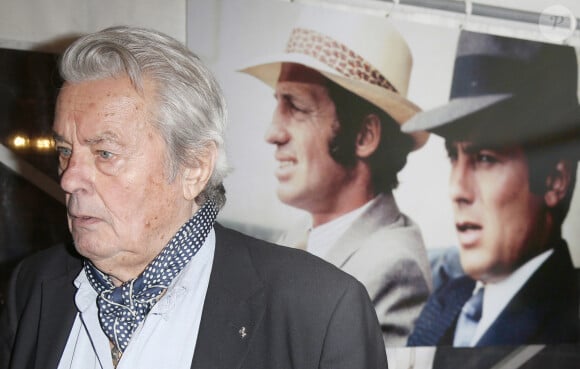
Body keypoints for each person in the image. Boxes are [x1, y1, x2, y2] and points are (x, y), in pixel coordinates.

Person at [0, 26, 388, 369]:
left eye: (105, 153)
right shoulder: (34, 286)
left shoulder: (318, 311)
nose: (69, 180)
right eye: (65, 150)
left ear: (194, 168)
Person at [240, 7, 432, 347]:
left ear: (364, 136)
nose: (273, 132)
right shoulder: (302, 234)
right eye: (277, 103)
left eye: (296, 107)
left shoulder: (393, 268)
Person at [405, 30, 580, 349]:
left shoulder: (569, 327)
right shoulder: (446, 301)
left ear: (556, 180)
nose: (457, 189)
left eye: (485, 158)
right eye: (452, 156)